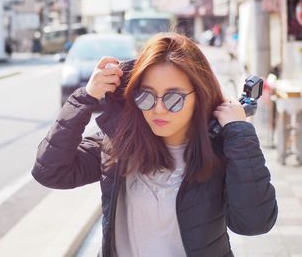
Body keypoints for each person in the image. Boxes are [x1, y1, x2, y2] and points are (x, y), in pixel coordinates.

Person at [32, 32, 277, 257]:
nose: (158, 109)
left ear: (199, 96)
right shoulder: (119, 145)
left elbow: (255, 222)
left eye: (174, 98)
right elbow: (51, 172)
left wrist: (240, 133)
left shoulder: (220, 149)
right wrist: (85, 97)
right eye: (146, 96)